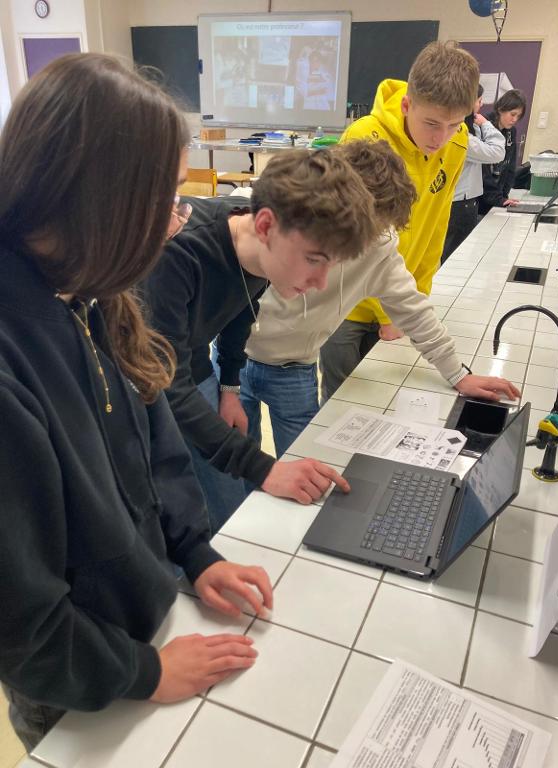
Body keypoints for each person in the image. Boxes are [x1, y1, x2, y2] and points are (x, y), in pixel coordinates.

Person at [0, 53, 273, 752]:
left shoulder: (88, 293)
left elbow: (153, 454)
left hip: (140, 630)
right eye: (165, 199)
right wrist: (143, 672)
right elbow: (19, 623)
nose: (176, 222)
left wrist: (196, 554)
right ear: (99, 199)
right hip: (79, 681)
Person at [143, 149, 379, 532]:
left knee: (230, 492)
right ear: (266, 226)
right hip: (142, 383)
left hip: (189, 362)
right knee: (196, 499)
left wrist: (230, 387)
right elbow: (168, 384)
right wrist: (265, 469)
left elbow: (242, 309)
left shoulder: (256, 244)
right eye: (314, 259)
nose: (320, 283)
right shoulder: (177, 253)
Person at [238, 141, 520, 457]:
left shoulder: (378, 248)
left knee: (298, 461)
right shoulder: (282, 227)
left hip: (293, 367)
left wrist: (458, 374)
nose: (360, 242)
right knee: (233, 463)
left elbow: (414, 311)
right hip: (232, 358)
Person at [319, 41, 480, 399]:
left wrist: (417, 297)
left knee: (384, 404)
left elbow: (437, 225)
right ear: (407, 105)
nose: (440, 138)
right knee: (337, 405)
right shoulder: (364, 138)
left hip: (400, 302)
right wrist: (390, 312)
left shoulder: (456, 143)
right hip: (347, 304)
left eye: (454, 124)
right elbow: (353, 239)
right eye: (431, 123)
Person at [441, 84, 506, 262]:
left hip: (463, 202)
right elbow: (497, 152)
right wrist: (486, 124)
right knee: (453, 258)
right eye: (479, 100)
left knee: (455, 255)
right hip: (460, 204)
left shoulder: (466, 130)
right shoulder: (460, 135)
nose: (481, 104)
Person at [479, 88, 527, 214]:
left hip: (497, 195)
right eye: (512, 114)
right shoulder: (483, 125)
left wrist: (504, 197)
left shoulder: (511, 131)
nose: (515, 120)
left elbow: (510, 167)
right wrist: (498, 199)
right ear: (501, 109)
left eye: (518, 116)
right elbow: (482, 171)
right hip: (480, 197)